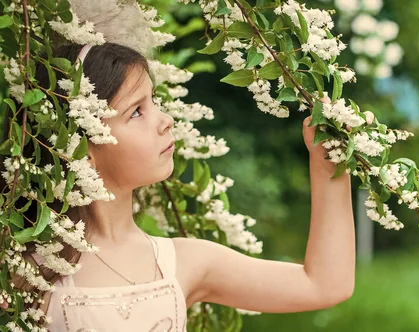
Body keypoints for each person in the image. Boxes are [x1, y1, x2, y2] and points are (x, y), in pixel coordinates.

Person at [0, 42, 373, 331]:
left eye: (155, 102)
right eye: (136, 111)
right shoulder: (26, 270)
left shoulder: (184, 262)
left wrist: (327, 170)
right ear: (81, 145)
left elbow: (324, 284)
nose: (165, 120)